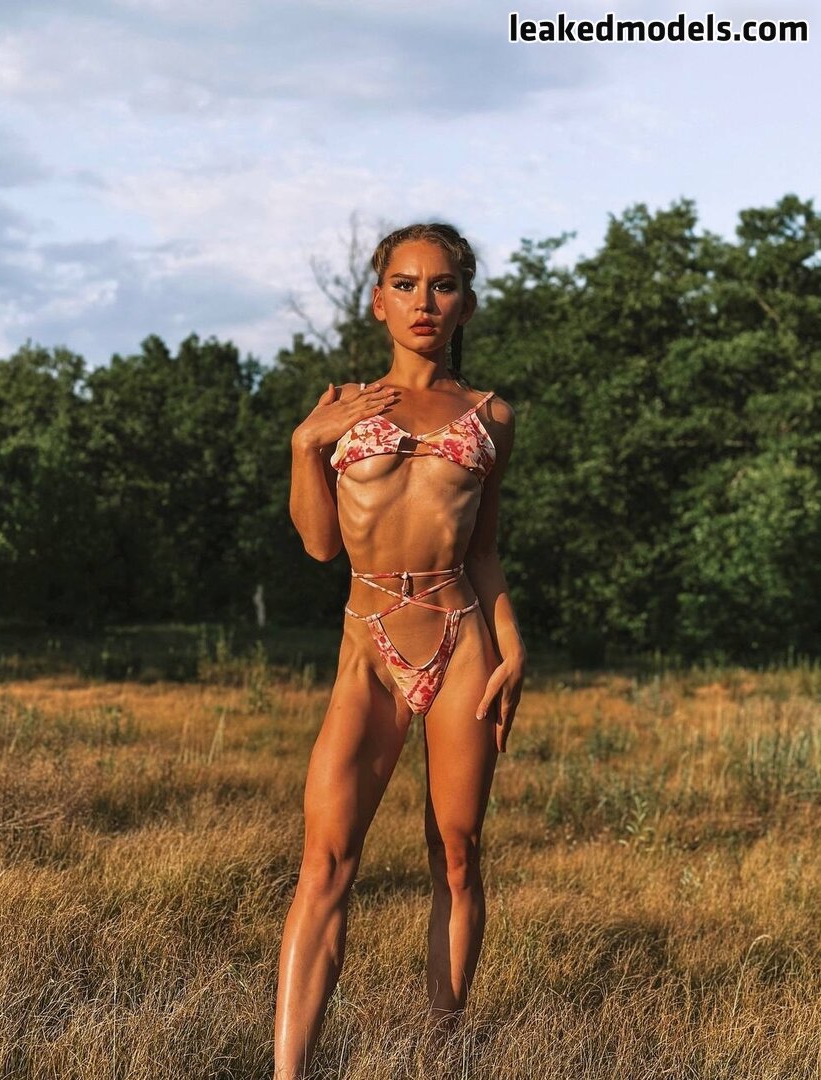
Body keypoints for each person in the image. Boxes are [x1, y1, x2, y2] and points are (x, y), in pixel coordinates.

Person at [275, 222, 526, 1078]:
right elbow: (319, 545)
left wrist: (513, 646)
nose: (425, 301)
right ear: (378, 300)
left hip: (463, 644)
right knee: (325, 862)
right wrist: (306, 445)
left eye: (443, 285)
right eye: (407, 284)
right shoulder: (344, 408)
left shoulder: (490, 416)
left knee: (456, 857)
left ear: (466, 304)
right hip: (369, 650)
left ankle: (441, 1053)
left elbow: (484, 551)